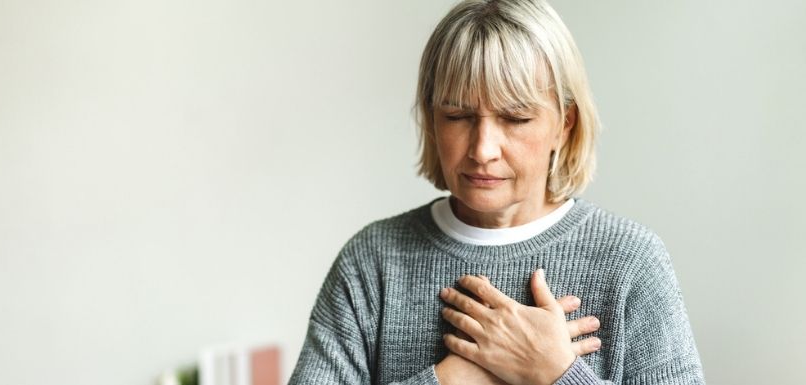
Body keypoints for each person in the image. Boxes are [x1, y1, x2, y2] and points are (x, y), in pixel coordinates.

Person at [289, 0, 705, 384]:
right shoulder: (373, 262)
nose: (483, 150)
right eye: (458, 116)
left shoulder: (631, 261)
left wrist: (556, 371)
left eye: (515, 118)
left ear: (565, 124)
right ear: (432, 120)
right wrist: (455, 377)